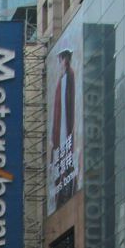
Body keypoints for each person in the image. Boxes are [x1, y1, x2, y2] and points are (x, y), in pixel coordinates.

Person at [50, 47, 77, 208]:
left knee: (66, 162)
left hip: (65, 130)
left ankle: (65, 188)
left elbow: (69, 105)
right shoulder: (62, 79)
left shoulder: (69, 76)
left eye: (62, 59)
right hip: (61, 131)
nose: (61, 62)